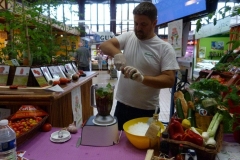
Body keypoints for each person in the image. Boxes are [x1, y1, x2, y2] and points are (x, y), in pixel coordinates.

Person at [99, 2, 179, 130]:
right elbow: (104, 45)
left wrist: (142, 78)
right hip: (122, 106)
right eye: (136, 23)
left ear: (154, 23)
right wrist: (118, 54)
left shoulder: (164, 48)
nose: (138, 28)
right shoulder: (129, 37)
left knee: (144, 147)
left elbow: (169, 80)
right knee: (119, 144)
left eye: (143, 24)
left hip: (147, 111)